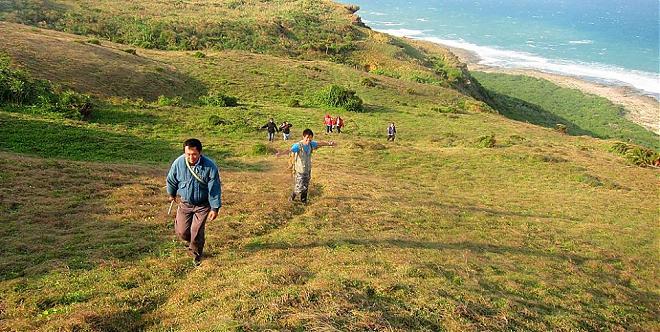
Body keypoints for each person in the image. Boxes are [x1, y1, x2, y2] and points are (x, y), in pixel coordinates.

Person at [166, 138, 222, 266]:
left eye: (194, 154)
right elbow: (171, 179)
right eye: (188, 154)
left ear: (200, 153)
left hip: (202, 205)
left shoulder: (210, 166)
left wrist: (215, 208)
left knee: (196, 231)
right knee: (182, 232)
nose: (191, 157)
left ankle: (196, 255)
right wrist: (171, 193)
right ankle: (191, 242)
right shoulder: (179, 163)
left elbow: (214, 188)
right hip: (185, 203)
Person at [289, 129, 335, 203]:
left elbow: (320, 143)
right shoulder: (298, 145)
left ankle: (303, 200)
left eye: (310, 138)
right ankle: (292, 198)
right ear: (303, 137)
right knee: (299, 187)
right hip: (300, 170)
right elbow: (290, 150)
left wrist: (329, 143)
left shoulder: (311, 144)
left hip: (308, 169)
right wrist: (281, 153)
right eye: (307, 138)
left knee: (306, 186)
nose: (308, 139)